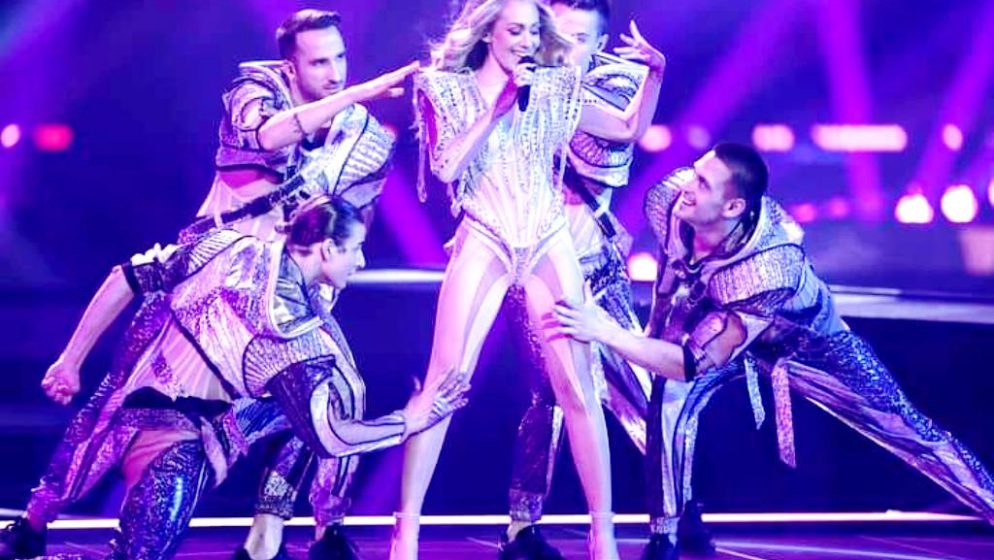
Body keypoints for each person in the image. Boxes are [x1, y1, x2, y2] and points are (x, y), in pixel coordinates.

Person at [0, 10, 417, 560]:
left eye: (340, 58)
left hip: (283, 297)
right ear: (289, 68)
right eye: (319, 62)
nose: (335, 72)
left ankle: (297, 531)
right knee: (113, 403)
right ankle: (37, 518)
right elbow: (269, 136)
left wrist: (325, 288)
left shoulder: (358, 133)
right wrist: (70, 360)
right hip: (208, 283)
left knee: (334, 391)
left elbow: (354, 214)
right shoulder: (253, 95)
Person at [555, 142, 994, 559]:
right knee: (666, 400)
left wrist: (607, 332)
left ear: (733, 207)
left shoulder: (770, 264)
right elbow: (671, 276)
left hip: (807, 345)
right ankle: (667, 534)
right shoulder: (669, 199)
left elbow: (689, 365)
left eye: (703, 183)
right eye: (695, 172)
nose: (688, 184)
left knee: (906, 428)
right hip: (716, 319)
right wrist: (655, 331)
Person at [4, 197, 469, 560]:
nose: (362, 261)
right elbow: (330, 437)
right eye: (356, 249)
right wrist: (409, 421)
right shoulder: (292, 331)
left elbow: (124, 276)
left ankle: (266, 538)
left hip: (191, 415)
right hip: (168, 437)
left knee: (319, 400)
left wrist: (70, 361)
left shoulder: (230, 244)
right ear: (328, 248)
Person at [393, 1, 664, 558]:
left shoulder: (556, 87)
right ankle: (406, 533)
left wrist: (655, 75)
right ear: (487, 33)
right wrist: (497, 108)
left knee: (579, 388)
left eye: (532, 31)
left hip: (546, 235)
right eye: (513, 30)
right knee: (445, 382)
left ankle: (603, 536)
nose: (524, 41)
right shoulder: (446, 88)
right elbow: (446, 167)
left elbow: (627, 128)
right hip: (485, 233)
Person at [497, 1, 668, 558]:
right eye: (555, 33)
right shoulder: (518, 80)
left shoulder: (613, 86)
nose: (563, 46)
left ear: (599, 43)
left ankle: (671, 514)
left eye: (578, 37)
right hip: (535, 270)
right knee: (549, 394)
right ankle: (522, 529)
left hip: (596, 268)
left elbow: (625, 134)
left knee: (647, 395)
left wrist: (655, 74)